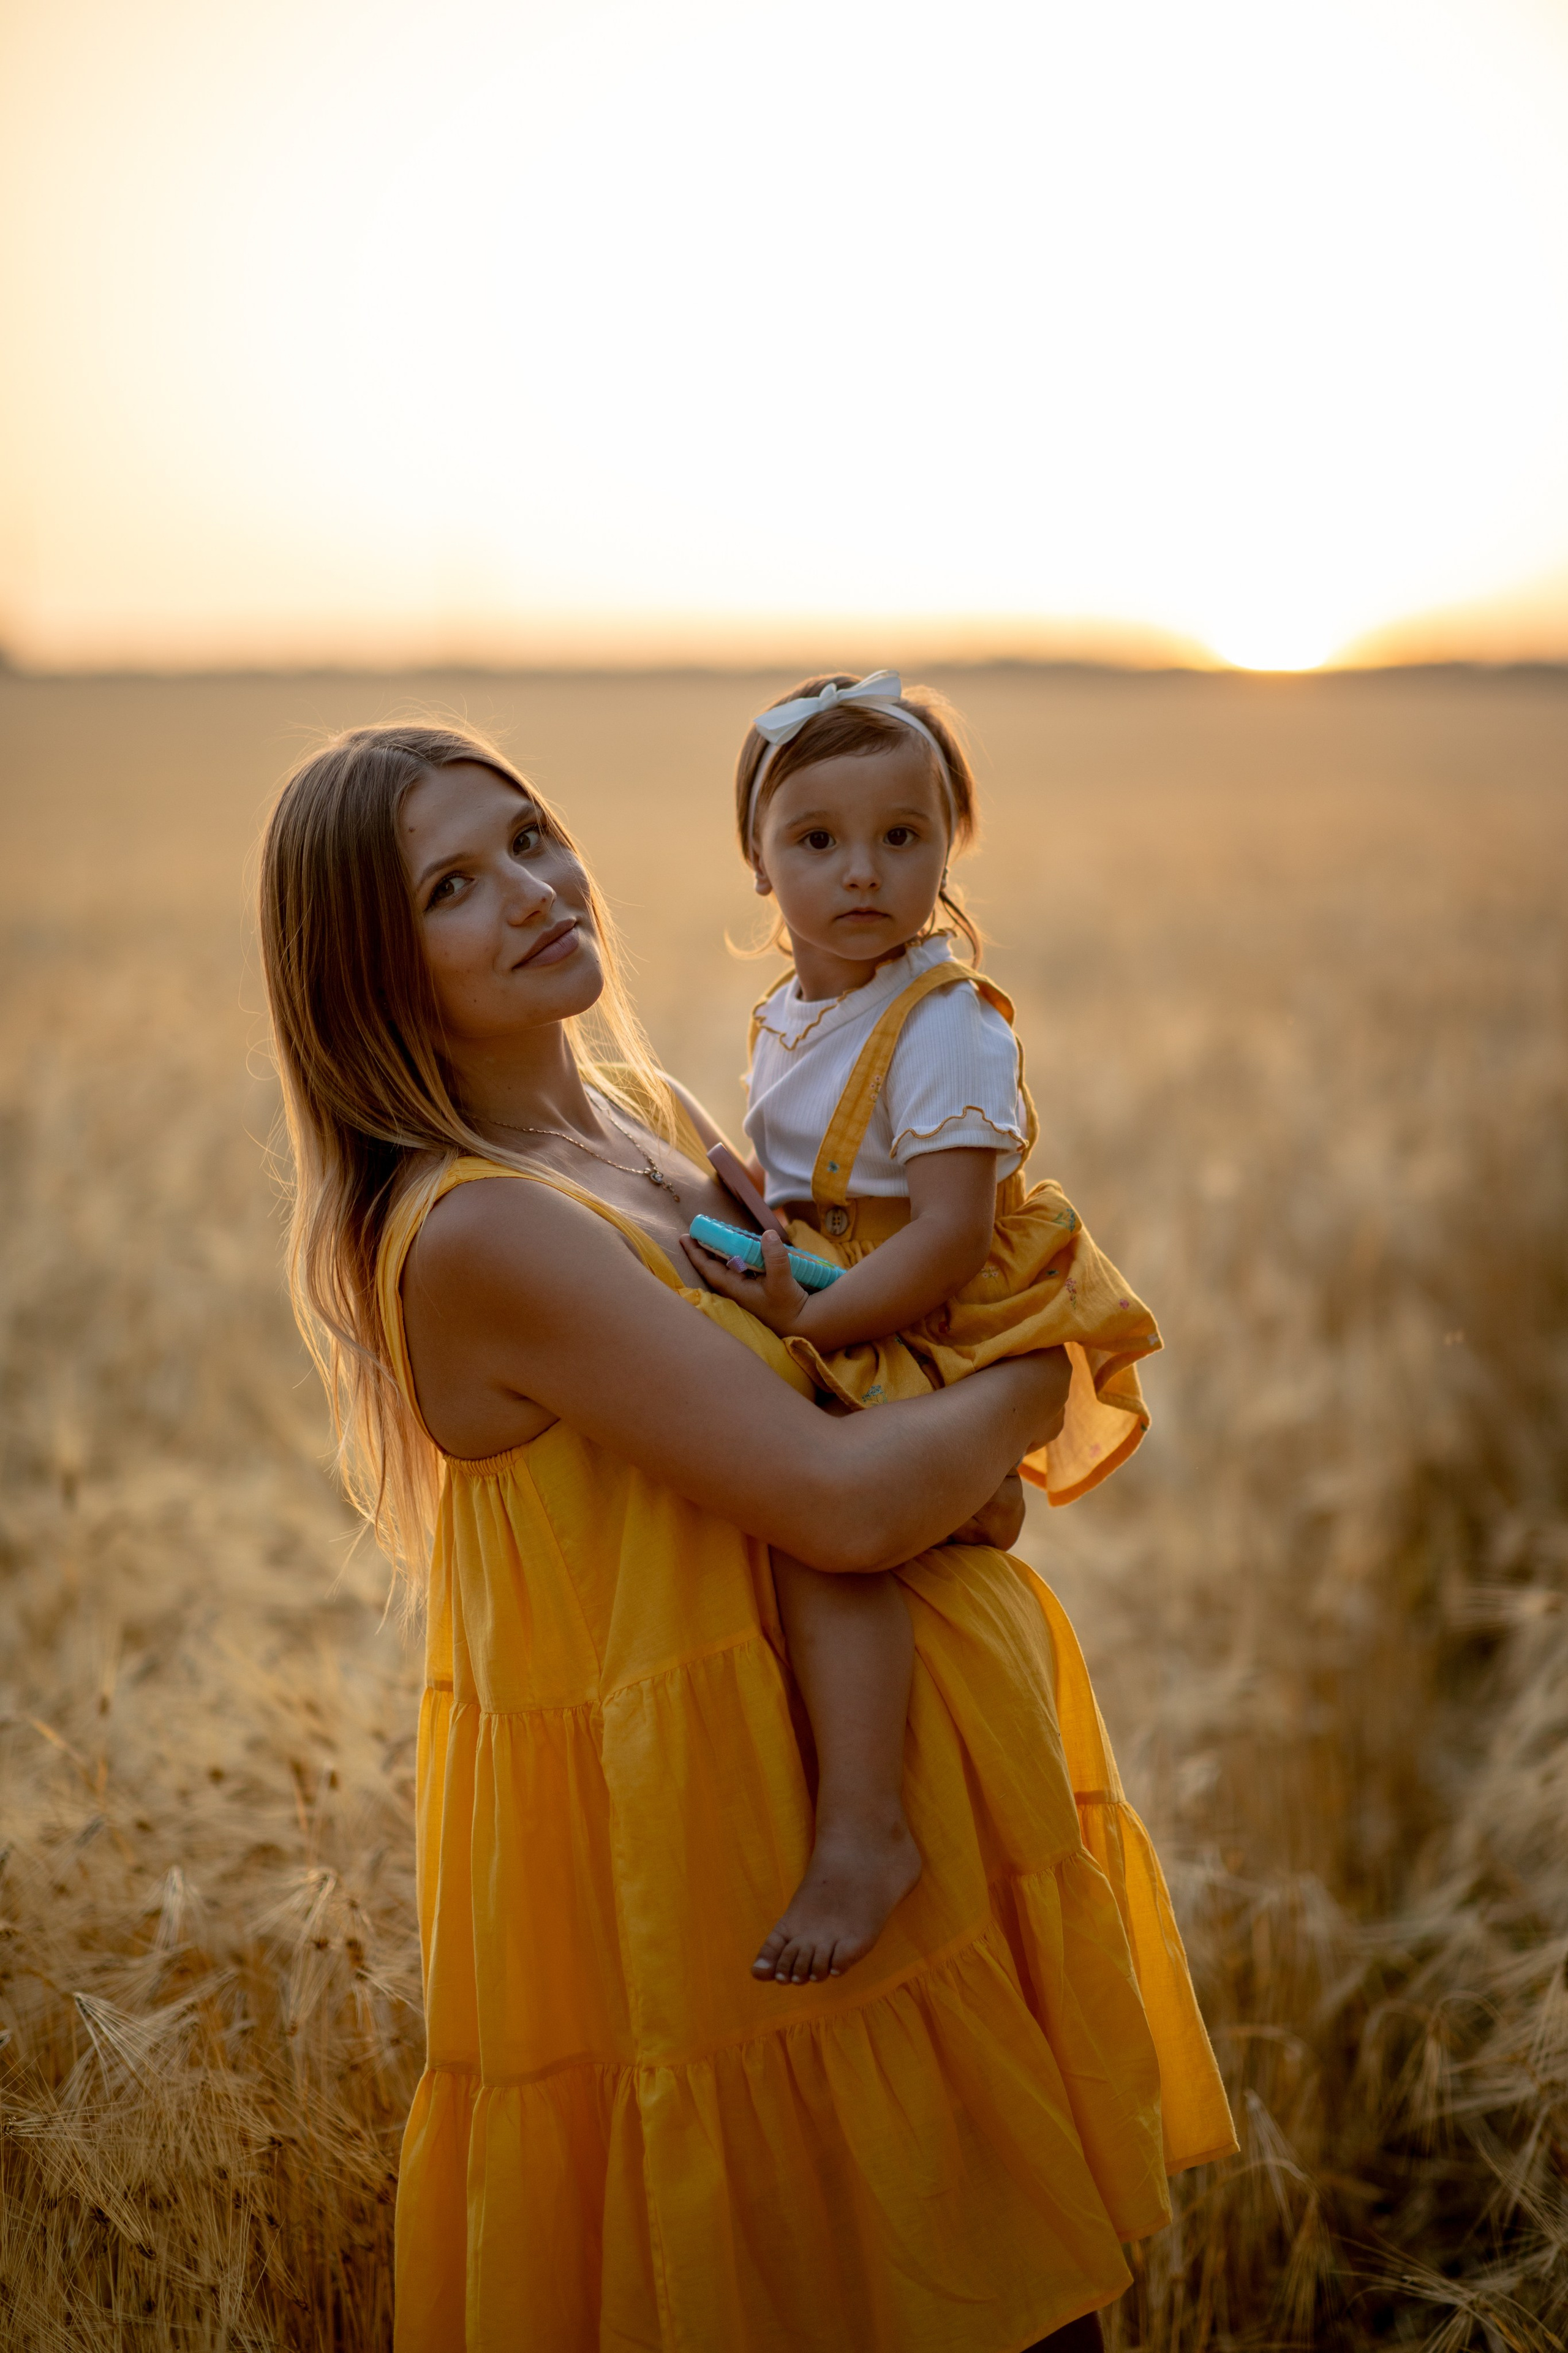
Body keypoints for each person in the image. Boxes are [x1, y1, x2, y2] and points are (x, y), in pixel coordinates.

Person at [259, 720, 1234, 2353]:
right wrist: (1047, 1368)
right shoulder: (486, 1224)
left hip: (882, 1825)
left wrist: (938, 1440)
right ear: (370, 969)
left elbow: (850, 1396)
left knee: (1000, 2296)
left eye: (529, 837)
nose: (530, 892)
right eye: (449, 884)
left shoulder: (648, 1118)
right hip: (726, 1874)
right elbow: (849, 1493)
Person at [691, 674, 1166, 1992]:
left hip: (941, 1314)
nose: (862, 873)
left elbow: (949, 1235)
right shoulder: (794, 1007)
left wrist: (810, 1322)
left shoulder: (945, 1025)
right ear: (757, 860)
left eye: (903, 837)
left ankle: (864, 1832)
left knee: (822, 1519)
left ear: (948, 845)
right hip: (855, 1282)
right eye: (816, 840)